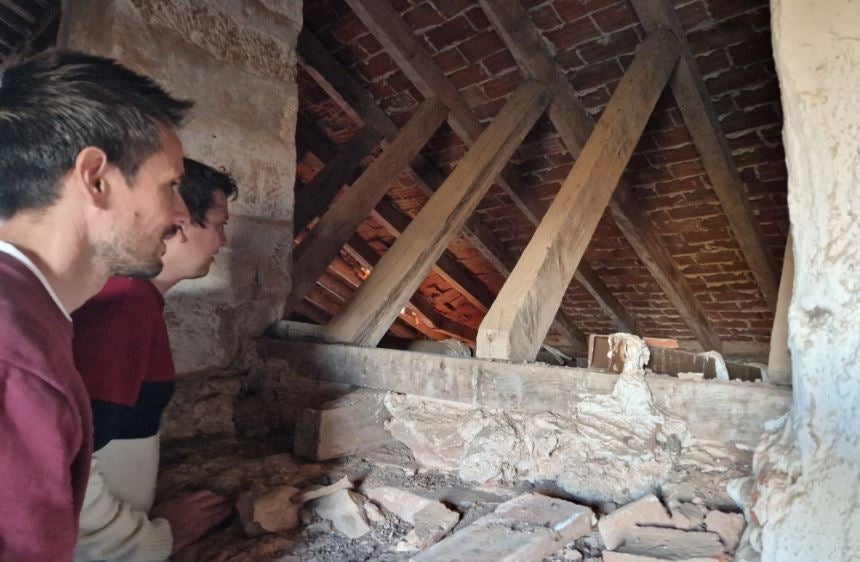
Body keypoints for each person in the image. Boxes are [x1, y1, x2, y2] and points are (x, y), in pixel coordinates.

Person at [0, 50, 192, 561]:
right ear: (96, 178)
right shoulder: (13, 356)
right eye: (170, 185)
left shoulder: (32, 313)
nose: (180, 213)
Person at [73, 159, 237, 561]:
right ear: (179, 225)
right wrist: (150, 540)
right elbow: (66, 463)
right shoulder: (124, 307)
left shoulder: (132, 299)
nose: (223, 241)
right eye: (218, 224)